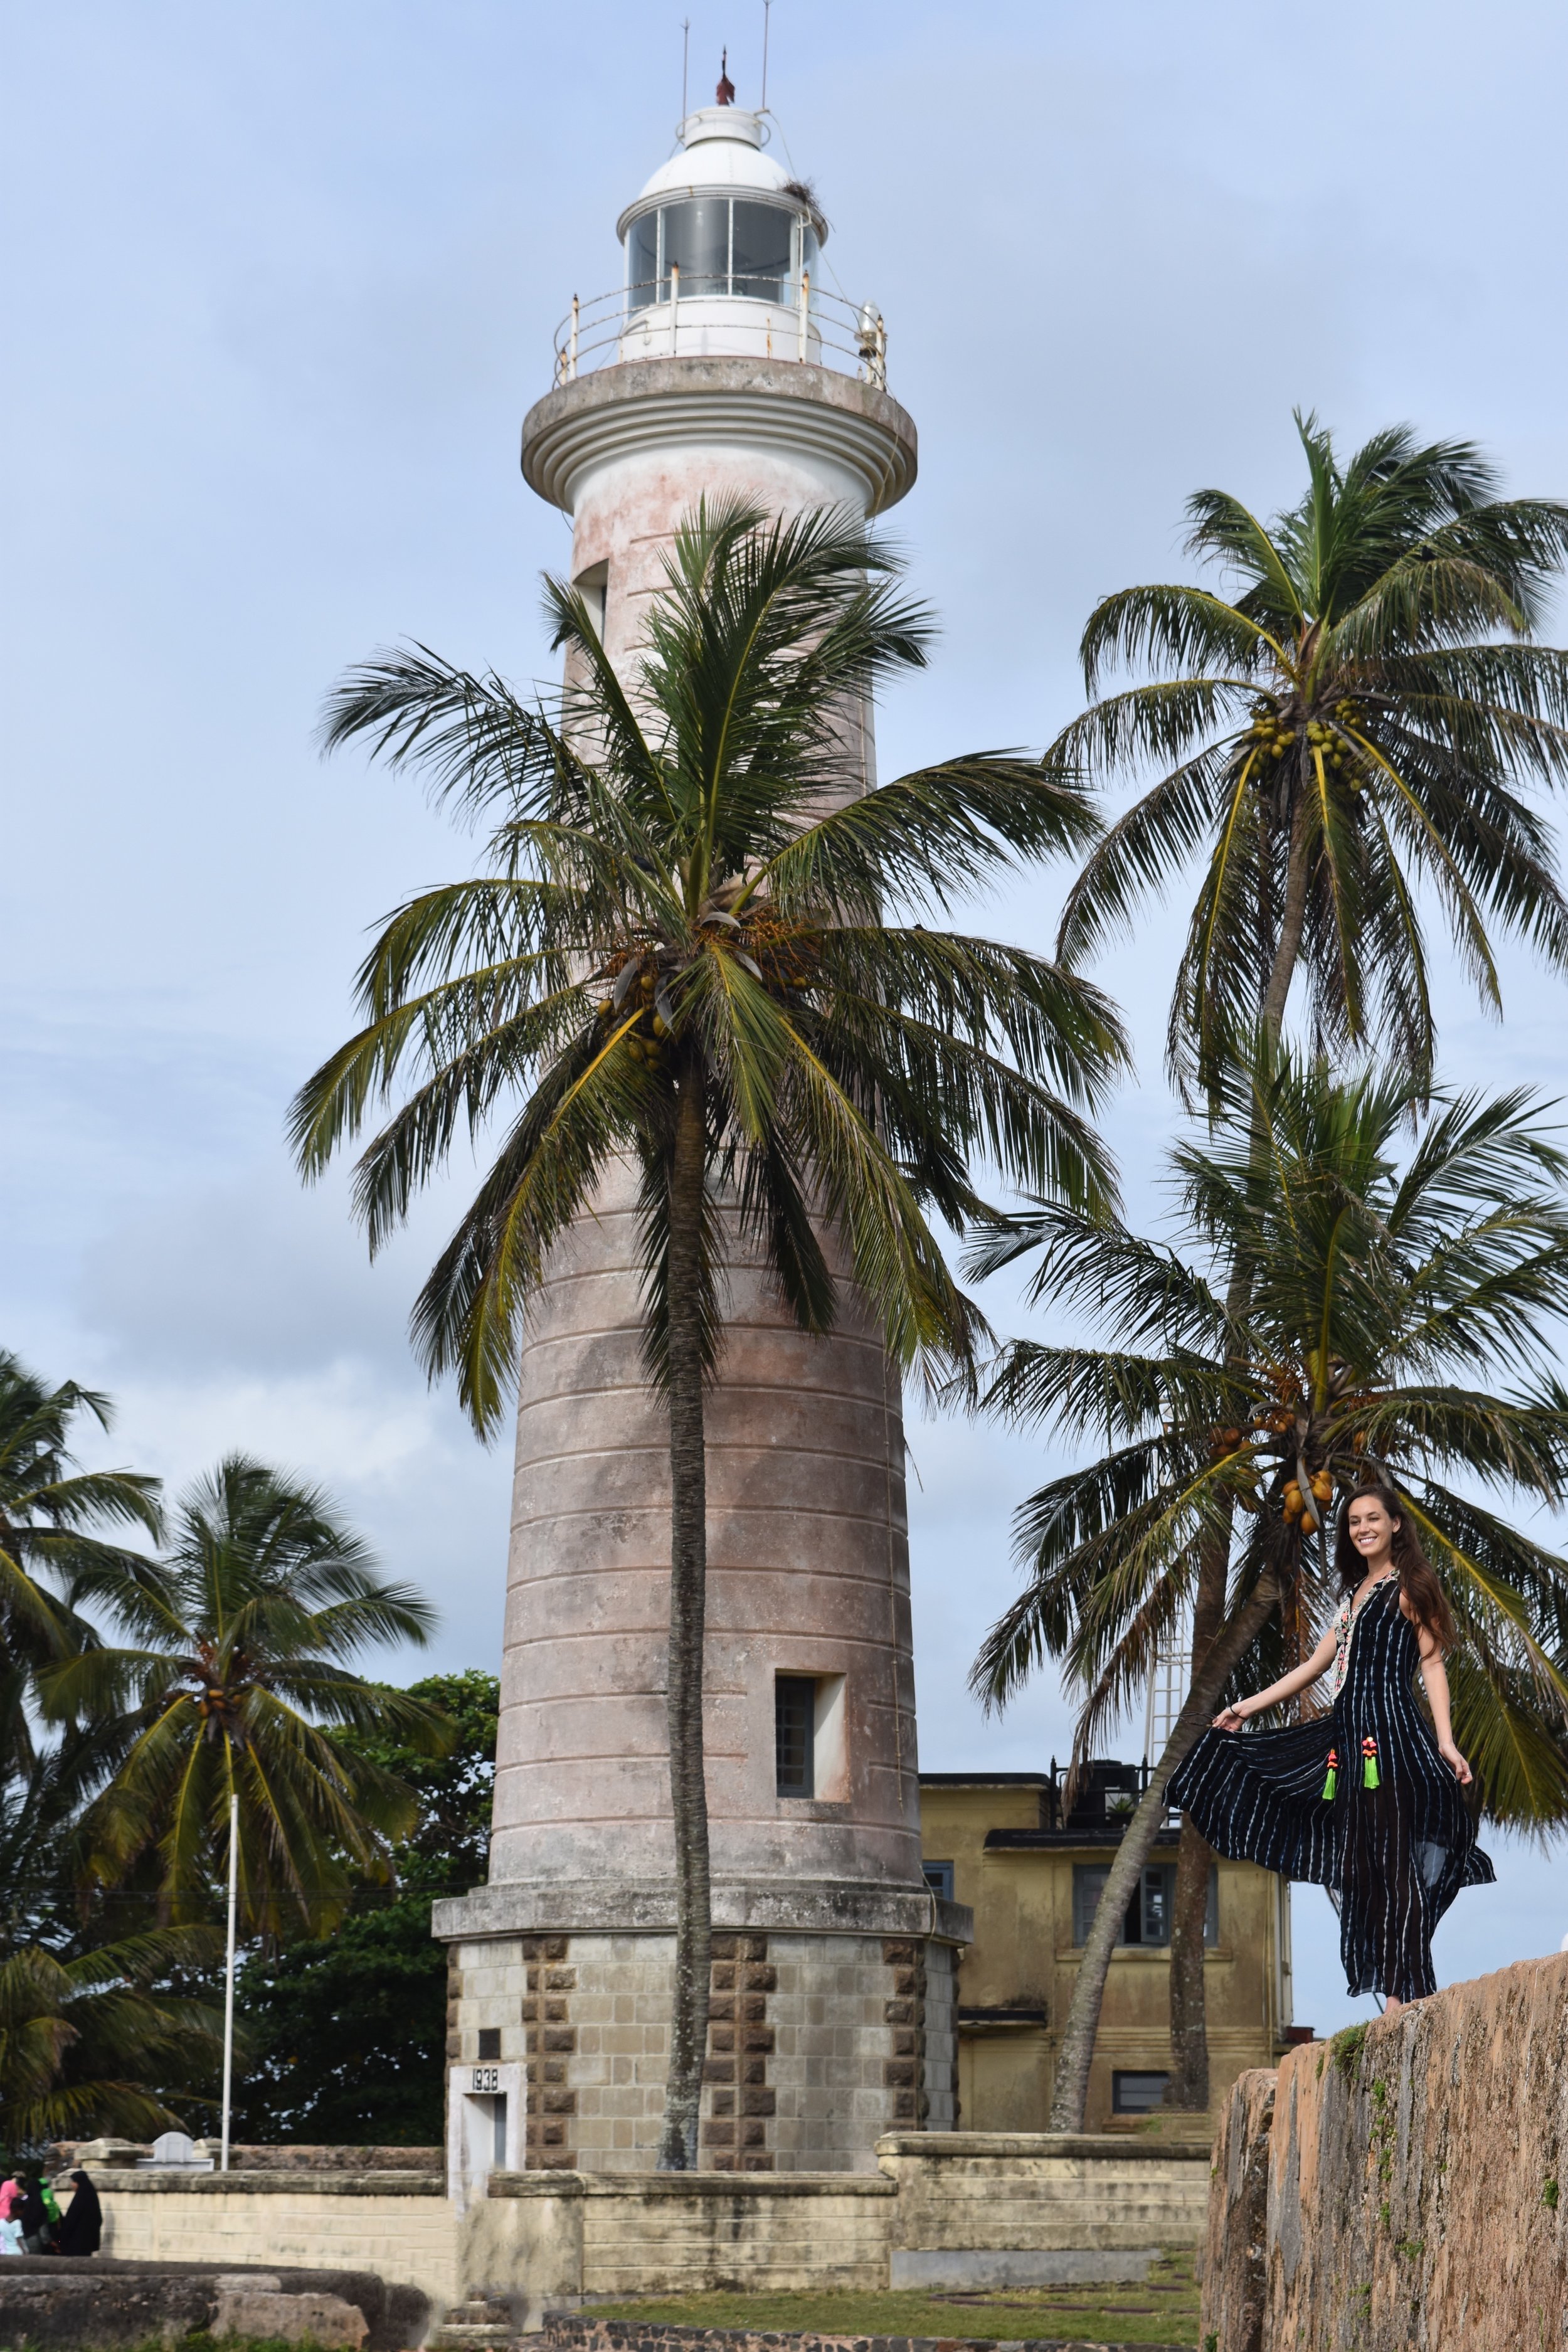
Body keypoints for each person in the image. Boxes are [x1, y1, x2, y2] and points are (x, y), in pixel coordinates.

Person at [1168, 1483, 1494, 2010]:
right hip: (1346, 1740)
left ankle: (1401, 1996)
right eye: (1352, 1522)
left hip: (1390, 1738)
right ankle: (1402, 1990)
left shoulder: (1410, 1587)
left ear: (1394, 1525)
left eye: (1372, 1519)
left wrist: (1447, 1742)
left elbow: (1432, 1664)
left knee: (1392, 1861)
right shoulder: (1351, 1598)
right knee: (1364, 1866)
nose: (1362, 1528)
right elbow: (1314, 1667)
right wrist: (1244, 1707)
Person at [53, 2171, 103, 2257]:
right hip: (87, 2241)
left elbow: (72, 2219)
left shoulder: (81, 2197)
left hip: (76, 2240)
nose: (72, 2184)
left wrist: (62, 2238)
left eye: (74, 2182)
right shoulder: (91, 2195)